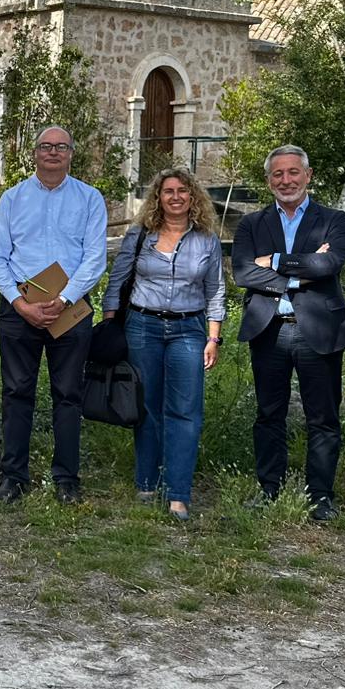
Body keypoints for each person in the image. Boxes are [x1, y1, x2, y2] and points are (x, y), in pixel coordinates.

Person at [231, 144, 345, 521]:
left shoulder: (334, 219)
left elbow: (329, 264)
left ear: (308, 175)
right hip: (270, 330)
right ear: (269, 181)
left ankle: (320, 496)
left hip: (317, 329)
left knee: (323, 417)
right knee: (269, 414)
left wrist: (278, 263)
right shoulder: (253, 224)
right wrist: (302, 273)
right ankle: (269, 489)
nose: (286, 180)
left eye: (293, 172)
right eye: (278, 174)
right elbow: (243, 273)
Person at [0, 126, 108, 503]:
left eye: (60, 147)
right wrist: (20, 304)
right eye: (45, 146)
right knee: (16, 393)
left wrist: (65, 299)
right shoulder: (12, 198)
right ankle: (14, 476)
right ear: (35, 153)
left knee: (68, 395)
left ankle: (66, 479)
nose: (53, 152)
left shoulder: (90, 199)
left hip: (69, 310)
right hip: (19, 309)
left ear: (72, 153)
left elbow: (95, 258)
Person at [101, 167, 226, 520]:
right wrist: (111, 324)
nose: (175, 197)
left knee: (185, 411)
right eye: (168, 191)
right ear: (157, 197)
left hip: (189, 329)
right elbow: (118, 279)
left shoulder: (206, 240)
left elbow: (215, 290)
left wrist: (213, 337)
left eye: (182, 191)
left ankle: (178, 493)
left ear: (193, 197)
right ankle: (146, 483)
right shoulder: (140, 235)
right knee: (146, 407)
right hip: (142, 327)